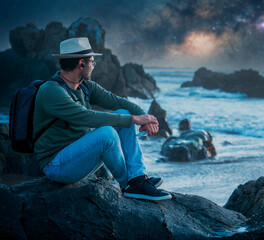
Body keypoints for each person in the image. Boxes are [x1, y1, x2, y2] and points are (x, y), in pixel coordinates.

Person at [33, 37, 171, 201]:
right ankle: (130, 184)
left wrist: (146, 118)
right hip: (56, 165)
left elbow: (117, 101)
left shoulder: (84, 86)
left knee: (123, 112)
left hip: (78, 155)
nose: (93, 66)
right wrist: (134, 120)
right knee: (107, 133)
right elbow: (86, 117)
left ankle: (137, 177)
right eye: (92, 62)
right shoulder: (52, 91)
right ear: (81, 64)